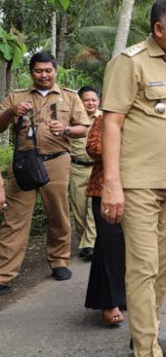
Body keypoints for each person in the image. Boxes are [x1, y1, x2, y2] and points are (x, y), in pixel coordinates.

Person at [101, 0, 166, 357]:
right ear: (159, 29)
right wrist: (112, 183)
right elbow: (112, 122)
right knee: (143, 269)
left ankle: (146, 332)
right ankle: (146, 349)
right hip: (139, 182)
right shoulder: (129, 63)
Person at [0, 51, 90, 295]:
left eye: (48, 70)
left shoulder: (70, 97)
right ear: (31, 72)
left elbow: (84, 128)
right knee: (14, 220)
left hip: (57, 162)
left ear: (55, 71)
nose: (44, 75)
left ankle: (59, 261)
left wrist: (67, 129)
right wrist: (11, 112)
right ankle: (4, 275)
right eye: (38, 71)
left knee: (59, 215)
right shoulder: (16, 96)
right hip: (23, 163)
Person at [84, 114, 127, 327]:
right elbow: (92, 147)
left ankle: (122, 295)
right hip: (104, 191)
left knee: (128, 247)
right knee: (109, 245)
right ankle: (110, 303)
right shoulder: (104, 119)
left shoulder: (146, 117)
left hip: (137, 190)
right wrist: (119, 146)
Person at [68, 86, 101, 262]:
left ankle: (90, 244)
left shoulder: (104, 118)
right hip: (77, 168)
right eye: (86, 100)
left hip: (97, 167)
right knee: (79, 208)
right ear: (80, 102)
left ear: (99, 101)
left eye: (93, 100)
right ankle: (85, 242)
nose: (90, 103)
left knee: (92, 208)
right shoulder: (72, 119)